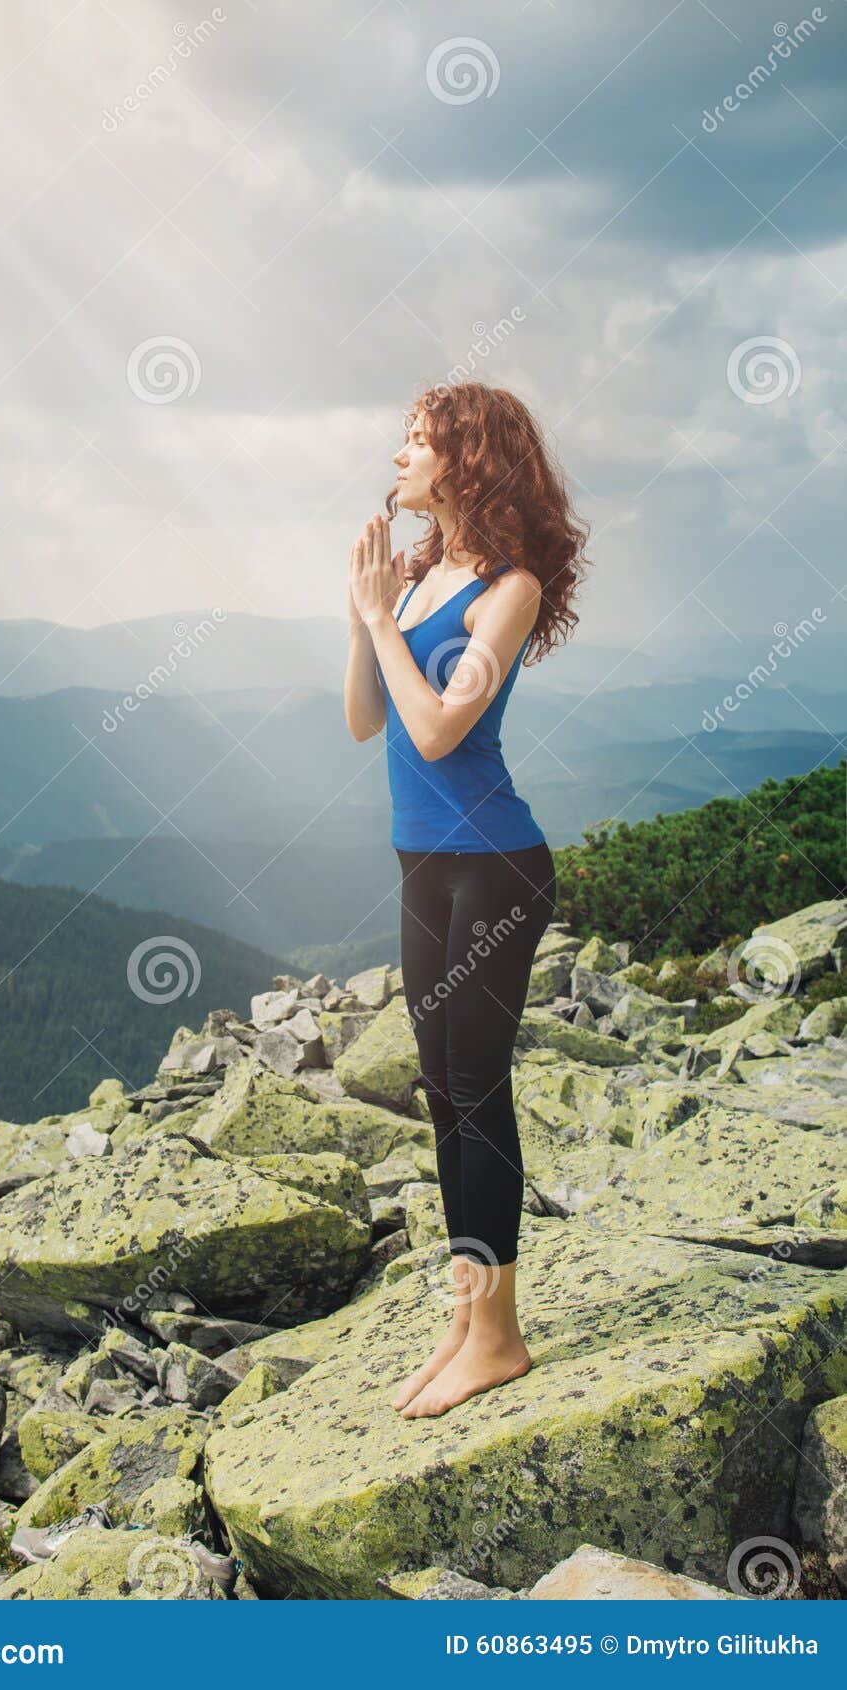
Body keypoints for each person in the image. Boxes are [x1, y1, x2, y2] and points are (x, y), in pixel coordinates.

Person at [343, 381, 589, 1418]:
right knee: (442, 1090)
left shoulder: (509, 588)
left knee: (476, 1092)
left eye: (416, 439)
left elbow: (440, 727)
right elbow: (365, 720)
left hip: (494, 865)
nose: (396, 453)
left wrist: (380, 618)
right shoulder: (413, 580)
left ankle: (499, 1336)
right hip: (420, 863)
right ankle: (467, 1311)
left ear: (466, 460)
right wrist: (368, 614)